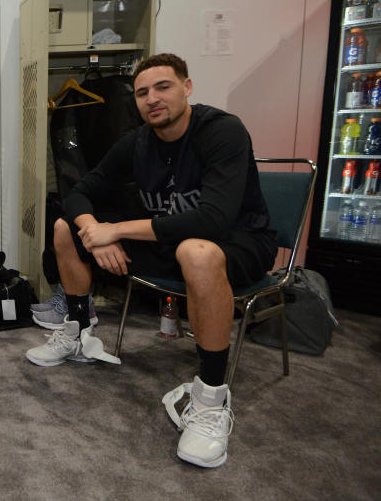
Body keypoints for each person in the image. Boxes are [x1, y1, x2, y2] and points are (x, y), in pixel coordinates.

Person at [28, 53, 276, 468]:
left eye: (163, 87)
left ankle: (211, 398)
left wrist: (119, 230)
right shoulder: (137, 141)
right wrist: (93, 230)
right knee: (62, 227)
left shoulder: (222, 131)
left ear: (187, 87)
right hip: (170, 243)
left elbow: (212, 220)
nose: (152, 99)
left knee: (194, 251)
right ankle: (77, 333)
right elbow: (78, 191)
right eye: (142, 93)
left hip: (237, 242)